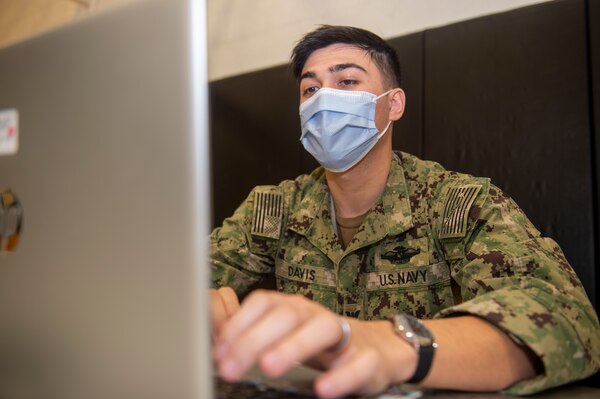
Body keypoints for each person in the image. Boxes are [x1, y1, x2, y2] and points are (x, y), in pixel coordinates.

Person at [210, 25, 600, 398]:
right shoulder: (274, 208)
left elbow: (566, 318)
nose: (323, 100)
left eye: (346, 82)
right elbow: (176, 286)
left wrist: (393, 345)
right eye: (310, 89)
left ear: (393, 104)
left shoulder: (455, 204)